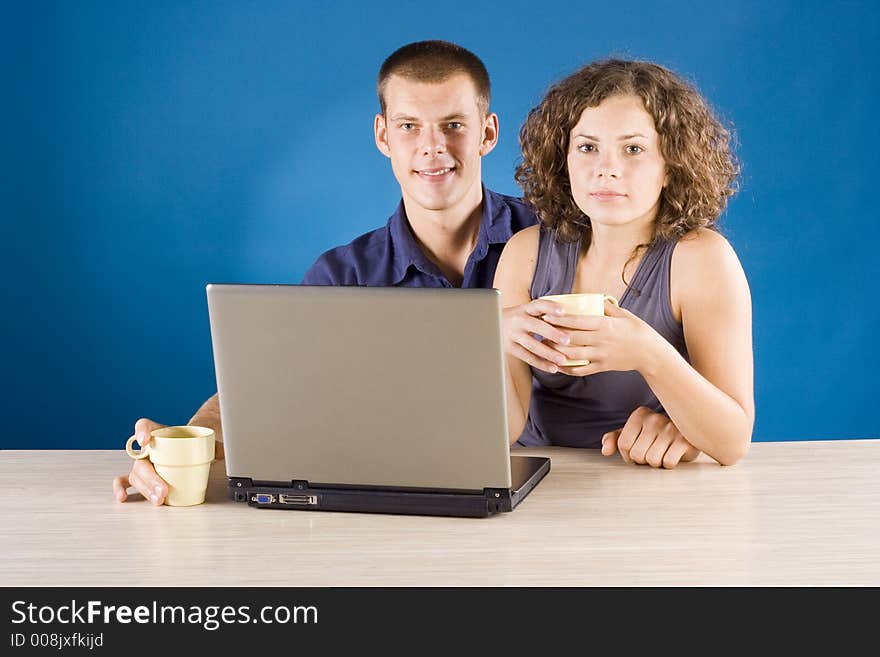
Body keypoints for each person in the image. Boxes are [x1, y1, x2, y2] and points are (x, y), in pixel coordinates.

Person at [113, 40, 539, 503]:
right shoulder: (343, 274)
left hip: (554, 490)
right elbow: (270, 387)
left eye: (453, 125)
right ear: (383, 136)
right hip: (390, 499)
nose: (432, 147)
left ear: (488, 133)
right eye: (409, 126)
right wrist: (180, 450)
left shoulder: (554, 241)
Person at [495, 59, 754, 468]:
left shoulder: (702, 259)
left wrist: (647, 352)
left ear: (671, 166)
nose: (606, 170)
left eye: (633, 149)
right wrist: (493, 341)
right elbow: (505, 432)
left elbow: (733, 441)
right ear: (563, 160)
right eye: (587, 147)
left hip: (647, 480)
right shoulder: (525, 253)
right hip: (540, 477)